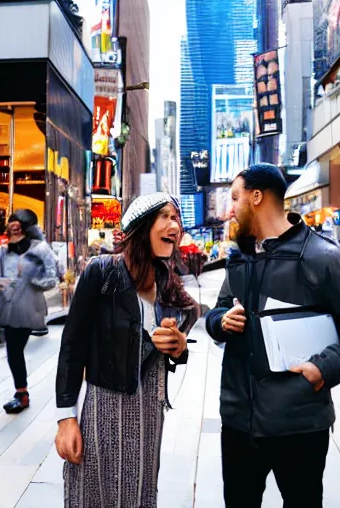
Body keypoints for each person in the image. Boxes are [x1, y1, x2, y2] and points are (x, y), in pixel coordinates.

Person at [205, 164, 340, 508]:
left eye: (235, 197)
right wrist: (221, 321)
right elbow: (216, 312)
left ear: (257, 197)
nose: (230, 209)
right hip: (239, 420)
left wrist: (323, 369)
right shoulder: (240, 258)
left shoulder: (324, 256)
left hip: (300, 423)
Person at [55, 193, 199, 508]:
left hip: (150, 407)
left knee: (140, 491)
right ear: (141, 225)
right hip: (103, 405)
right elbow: (72, 344)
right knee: (93, 489)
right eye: (165, 216)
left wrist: (179, 347)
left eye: (176, 218)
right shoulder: (101, 271)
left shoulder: (167, 281)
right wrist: (66, 418)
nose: (174, 225)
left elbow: (177, 336)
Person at [0, 210, 58, 414]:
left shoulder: (40, 249)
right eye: (11, 229)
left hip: (28, 306)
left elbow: (53, 277)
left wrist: (32, 282)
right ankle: (21, 393)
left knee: (15, 349)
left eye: (18, 228)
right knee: (13, 352)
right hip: (7, 306)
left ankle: (22, 394)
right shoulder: (0, 251)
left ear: (27, 229)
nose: (13, 233)